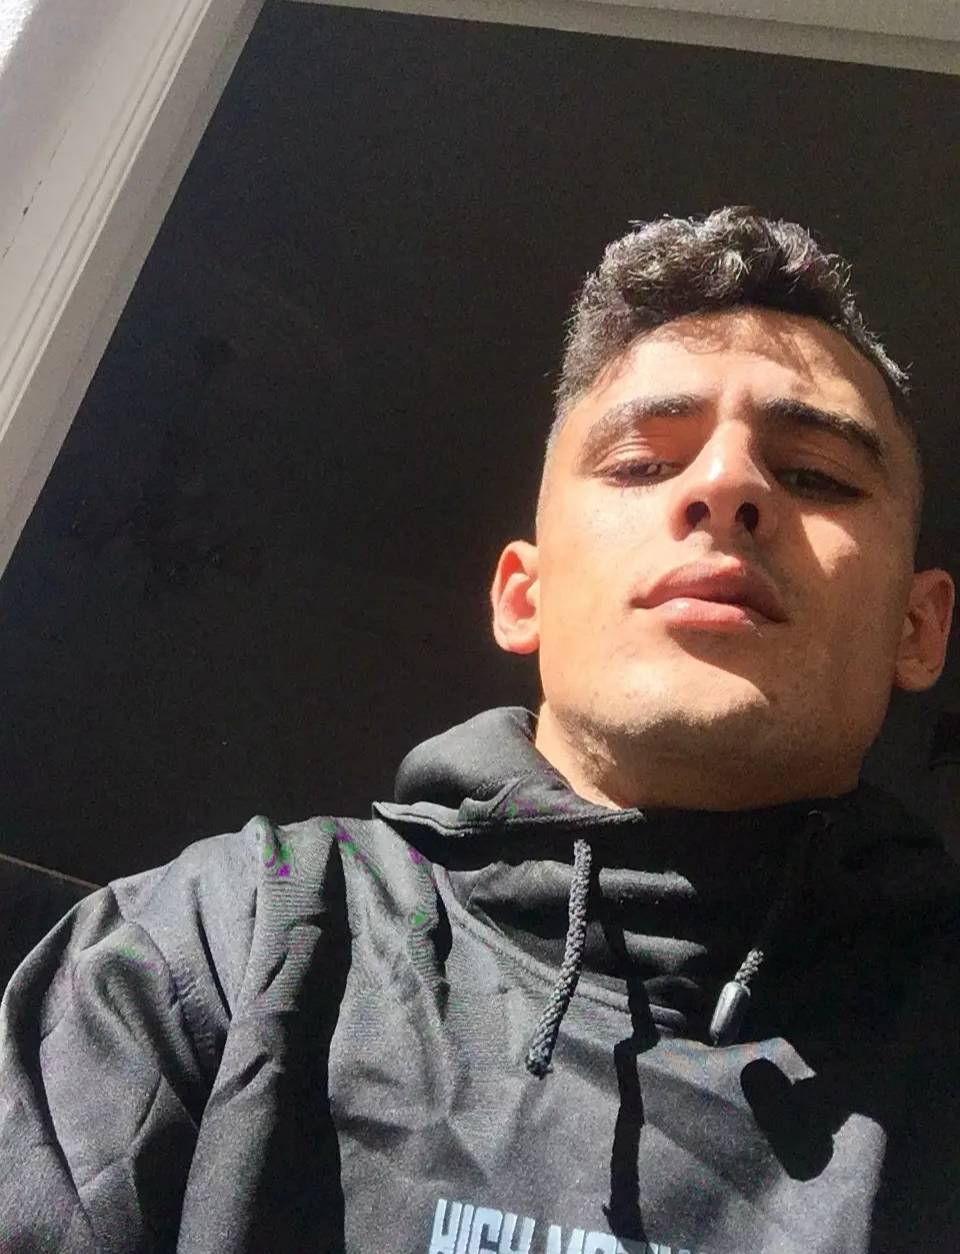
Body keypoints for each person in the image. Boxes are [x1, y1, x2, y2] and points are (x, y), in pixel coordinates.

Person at [1, 206, 957, 1254]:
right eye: (642, 462)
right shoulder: (215, 948)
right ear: (522, 596)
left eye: (815, 474)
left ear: (919, 628)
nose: (728, 486)